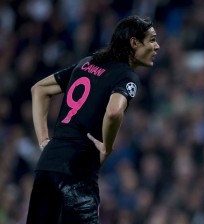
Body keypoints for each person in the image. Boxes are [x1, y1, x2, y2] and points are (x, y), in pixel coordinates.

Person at [27, 15, 160, 223]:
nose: (157, 46)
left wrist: (44, 140)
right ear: (134, 42)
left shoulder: (85, 64)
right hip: (78, 170)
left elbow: (39, 89)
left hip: (46, 165)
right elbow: (114, 111)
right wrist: (107, 147)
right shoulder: (127, 76)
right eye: (152, 39)